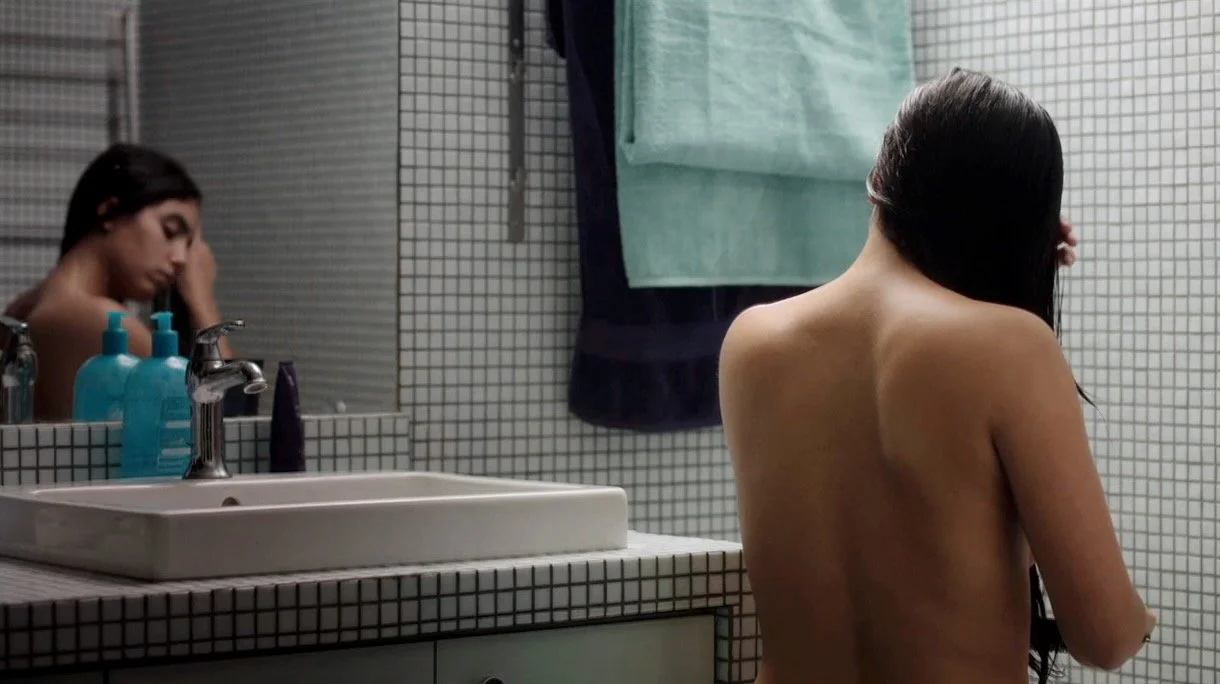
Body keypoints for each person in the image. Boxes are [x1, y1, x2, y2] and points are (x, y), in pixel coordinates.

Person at [718, 68, 1155, 684]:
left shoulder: (752, 342)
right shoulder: (1008, 348)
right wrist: (1141, 620)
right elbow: (1105, 639)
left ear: (880, 183)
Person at [3, 143, 231, 421]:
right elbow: (222, 421)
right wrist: (203, 301)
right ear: (110, 212)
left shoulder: (22, 309)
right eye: (170, 231)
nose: (181, 259)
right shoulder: (102, 323)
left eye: (189, 245)